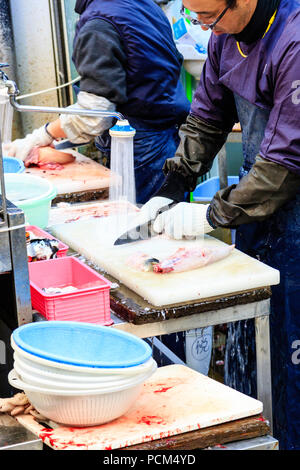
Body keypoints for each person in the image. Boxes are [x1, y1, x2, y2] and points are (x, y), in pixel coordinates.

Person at [143, 0, 300, 450]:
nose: (203, 26)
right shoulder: (224, 34)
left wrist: (212, 213)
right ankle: (255, 432)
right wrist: (171, 187)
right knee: (255, 334)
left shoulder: (293, 37)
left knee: (292, 350)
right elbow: (208, 117)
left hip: (289, 201)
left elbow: (286, 162)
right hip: (258, 209)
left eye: (209, 16)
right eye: (195, 16)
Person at [4, 0, 190, 204]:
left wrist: (41, 135)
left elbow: (94, 116)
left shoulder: (98, 24)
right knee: (168, 221)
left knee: (144, 228)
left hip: (140, 148)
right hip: (168, 137)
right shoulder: (141, 4)